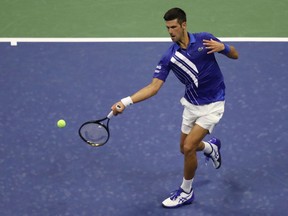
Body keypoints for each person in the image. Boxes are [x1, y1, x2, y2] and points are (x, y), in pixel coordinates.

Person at [111, 7, 238, 208]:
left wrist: (223, 47)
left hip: (214, 103)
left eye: (173, 27)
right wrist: (125, 101)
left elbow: (235, 54)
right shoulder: (169, 57)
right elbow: (153, 87)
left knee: (188, 147)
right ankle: (210, 148)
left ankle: (186, 192)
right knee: (185, 148)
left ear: (184, 25)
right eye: (167, 28)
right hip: (191, 104)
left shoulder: (205, 40)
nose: (170, 31)